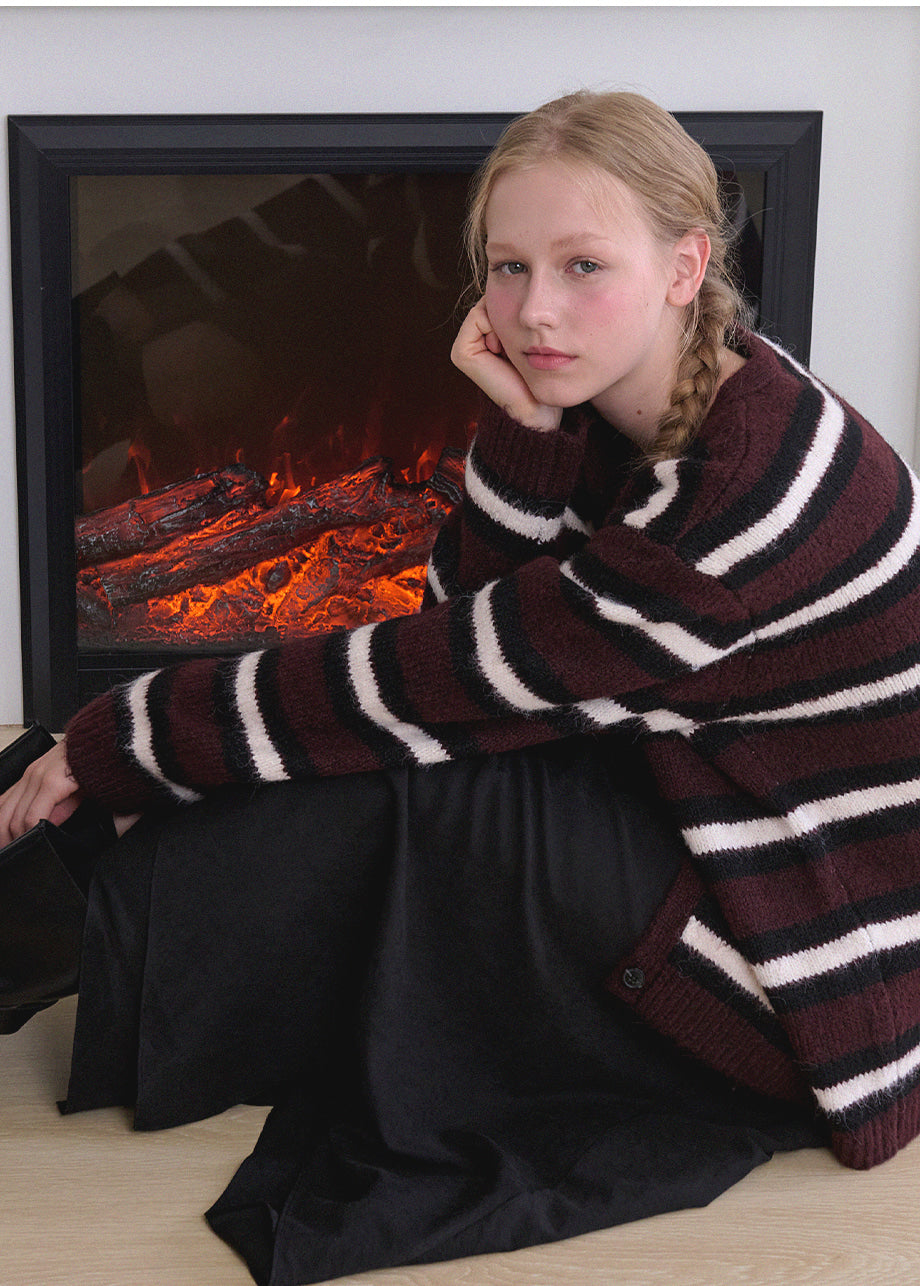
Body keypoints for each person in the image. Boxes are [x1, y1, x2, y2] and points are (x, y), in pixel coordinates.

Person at [2, 87, 920, 1284]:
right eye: (507, 265)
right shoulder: (670, 391)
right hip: (681, 802)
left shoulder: (736, 500)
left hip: (783, 970)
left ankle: (54, 899)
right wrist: (526, 428)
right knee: (344, 755)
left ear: (685, 265)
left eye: (582, 265)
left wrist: (136, 733)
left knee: (393, 782)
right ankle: (48, 880)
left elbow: (432, 676)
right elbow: (455, 628)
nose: (533, 310)